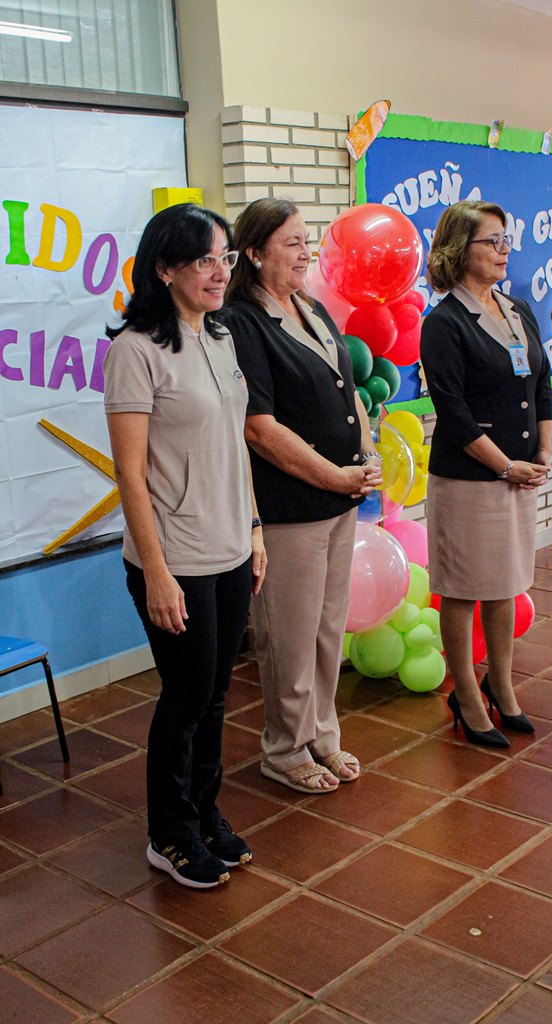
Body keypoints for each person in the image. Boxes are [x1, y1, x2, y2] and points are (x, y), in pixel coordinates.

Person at [104, 203, 267, 889]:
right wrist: (160, 575)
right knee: (186, 695)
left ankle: (204, 813)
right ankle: (168, 834)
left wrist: (255, 528)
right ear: (165, 268)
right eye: (203, 259)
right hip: (175, 560)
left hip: (231, 548)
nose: (217, 271)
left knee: (217, 693)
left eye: (224, 256)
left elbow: (235, 443)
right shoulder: (134, 351)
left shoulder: (222, 336)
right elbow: (130, 474)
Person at [223, 198, 381, 794]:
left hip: (339, 500)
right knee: (287, 635)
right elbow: (259, 427)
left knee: (325, 630)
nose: (305, 252)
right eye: (291, 242)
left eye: (306, 241)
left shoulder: (310, 309)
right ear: (255, 252)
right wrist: (333, 476)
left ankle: (323, 735)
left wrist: (363, 460)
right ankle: (284, 749)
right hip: (291, 508)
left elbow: (352, 395)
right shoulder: (242, 321)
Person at [420, 200, 552, 748]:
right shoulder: (444, 322)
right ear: (460, 249)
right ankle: (468, 697)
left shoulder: (517, 309)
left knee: (504, 586)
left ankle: (502, 685)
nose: (504, 251)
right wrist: (505, 466)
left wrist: (543, 450)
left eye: (506, 241)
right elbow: (452, 413)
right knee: (463, 589)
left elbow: (540, 382)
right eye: (492, 242)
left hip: (519, 472)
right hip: (471, 479)